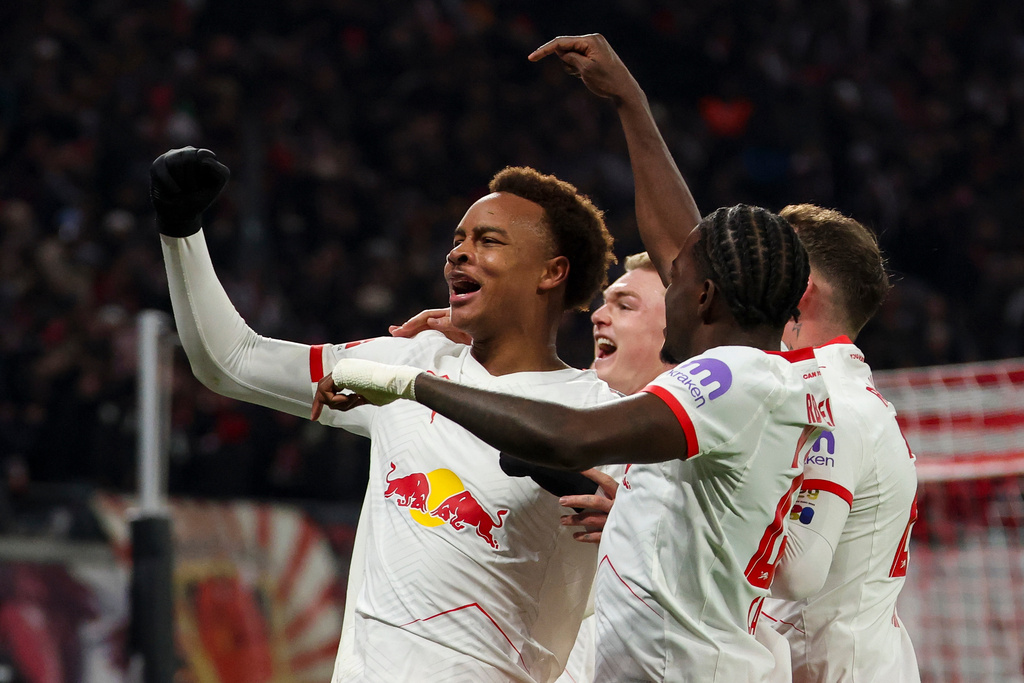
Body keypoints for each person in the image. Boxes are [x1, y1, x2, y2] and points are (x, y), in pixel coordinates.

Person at [526, 33, 920, 683]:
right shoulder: (790, 379)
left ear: (801, 289)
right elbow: (684, 251)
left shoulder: (835, 404)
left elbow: (796, 569)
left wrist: (644, 503)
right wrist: (632, 106)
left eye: (766, 251)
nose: (737, 259)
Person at [150, 146, 622, 682]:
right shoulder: (405, 362)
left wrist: (629, 520)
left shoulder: (601, 417)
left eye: (488, 241)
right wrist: (180, 230)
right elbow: (233, 362)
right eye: (457, 240)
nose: (458, 255)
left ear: (551, 272)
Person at [317, 202, 836, 682]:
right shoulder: (775, 381)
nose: (668, 294)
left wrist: (407, 383)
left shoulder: (734, 373)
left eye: (673, 281)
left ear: (704, 296)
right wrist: (631, 105)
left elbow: (570, 439)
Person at [391, 252, 673, 683]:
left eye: (625, 305)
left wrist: (643, 527)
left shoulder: (706, 458)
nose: (598, 315)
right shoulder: (563, 415)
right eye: (604, 301)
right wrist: (490, 347)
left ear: (681, 327)